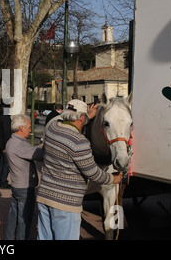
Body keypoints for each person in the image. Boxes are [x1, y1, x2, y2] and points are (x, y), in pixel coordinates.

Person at [36, 99, 123, 240]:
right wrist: (114, 178)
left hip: (45, 197)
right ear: (82, 118)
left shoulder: (52, 128)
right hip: (66, 204)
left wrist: (84, 115)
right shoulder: (79, 142)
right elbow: (94, 174)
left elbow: (58, 118)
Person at [4, 114, 44, 240]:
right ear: (21, 128)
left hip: (17, 186)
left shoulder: (12, 141)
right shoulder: (20, 145)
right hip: (24, 188)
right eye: (29, 127)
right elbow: (38, 155)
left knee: (13, 218)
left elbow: (31, 151)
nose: (30, 130)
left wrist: (41, 146)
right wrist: (46, 145)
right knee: (24, 221)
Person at [0, 107, 12, 189]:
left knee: (2, 162)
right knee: (6, 163)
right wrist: (7, 146)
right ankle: (3, 181)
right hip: (4, 144)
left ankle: (1, 179)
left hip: (0, 143)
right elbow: (6, 133)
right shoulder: (6, 119)